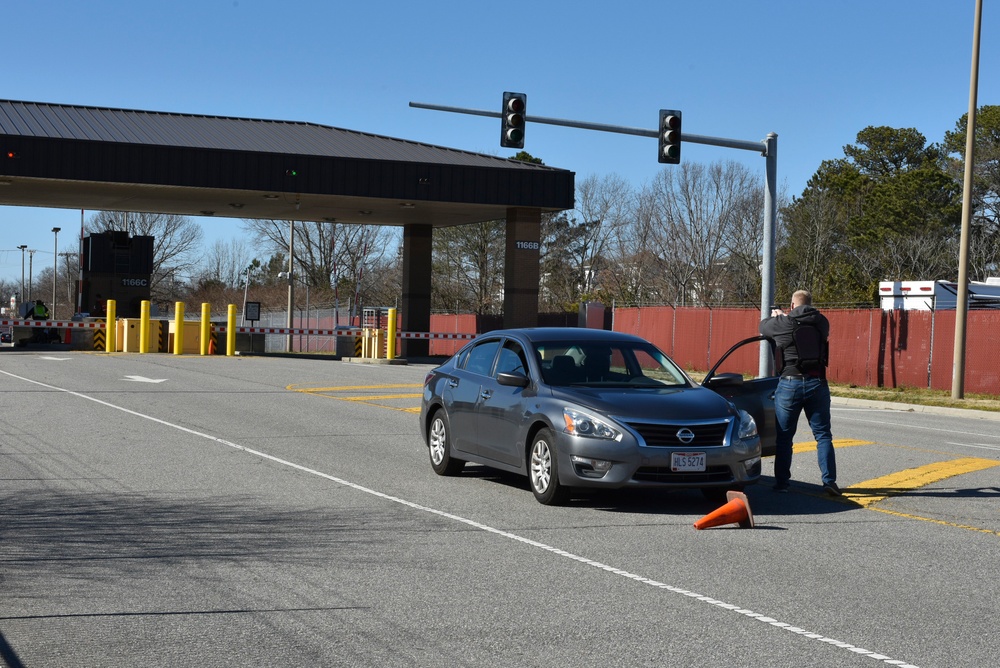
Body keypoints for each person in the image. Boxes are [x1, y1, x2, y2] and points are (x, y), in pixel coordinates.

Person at [758, 289, 840, 496]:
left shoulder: (784, 323)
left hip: (790, 383)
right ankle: (829, 481)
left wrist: (777, 316)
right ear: (811, 304)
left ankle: (783, 483)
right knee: (823, 436)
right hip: (818, 383)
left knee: (785, 437)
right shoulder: (822, 322)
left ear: (792, 306)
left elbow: (763, 327)